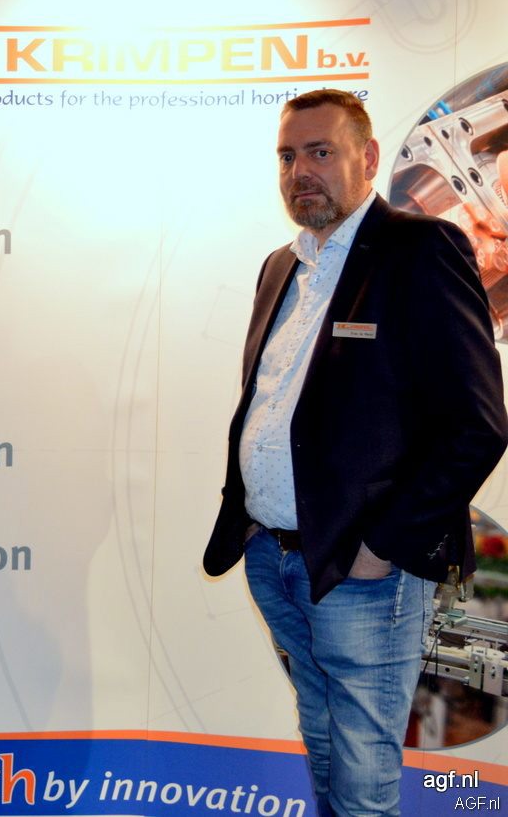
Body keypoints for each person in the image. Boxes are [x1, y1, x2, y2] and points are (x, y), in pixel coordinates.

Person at [202, 89, 508, 816]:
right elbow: (275, 402)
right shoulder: (281, 266)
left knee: (363, 775)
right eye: (287, 156)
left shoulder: (420, 250)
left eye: (320, 151)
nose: (300, 171)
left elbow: (478, 424)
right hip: (275, 557)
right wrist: (252, 519)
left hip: (363, 571)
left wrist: (384, 544)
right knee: (321, 736)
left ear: (367, 158)